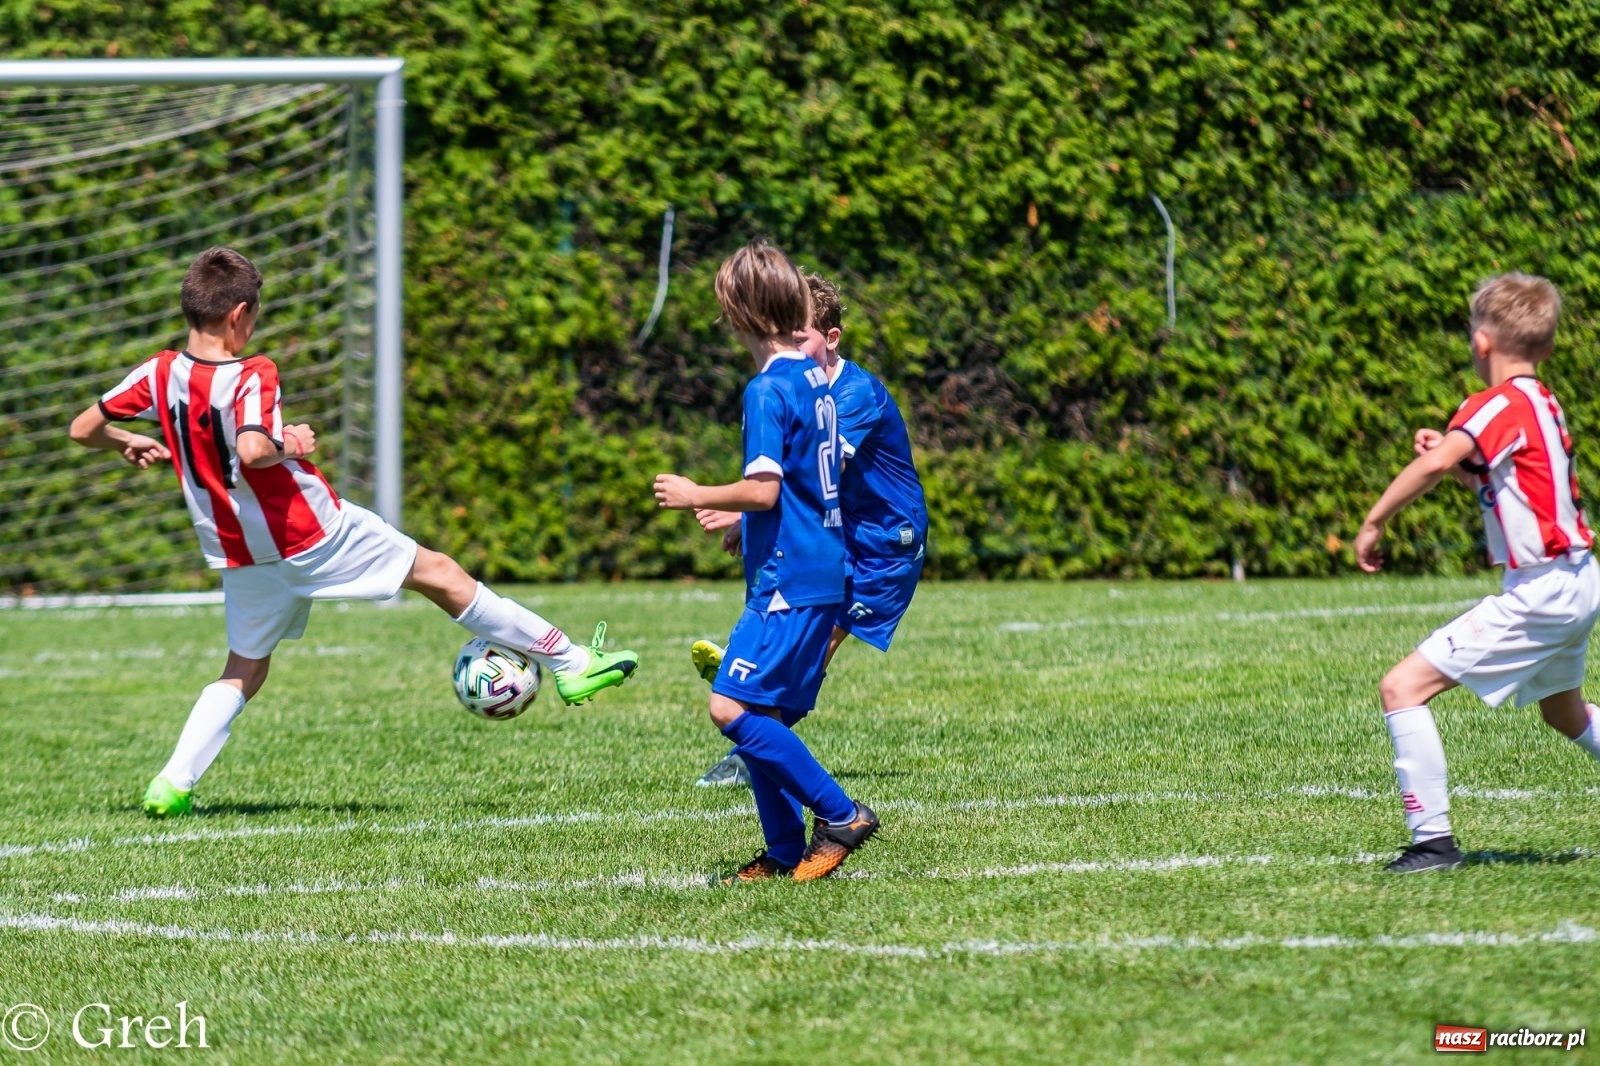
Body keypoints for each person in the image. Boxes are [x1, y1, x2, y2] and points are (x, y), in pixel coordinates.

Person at [68, 247, 639, 818]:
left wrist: (127, 441)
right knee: (439, 573)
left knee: (243, 668)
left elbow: (83, 428)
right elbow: (251, 448)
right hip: (310, 532)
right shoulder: (252, 373)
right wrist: (292, 443)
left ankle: (171, 784)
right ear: (240, 314)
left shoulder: (158, 371)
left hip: (239, 552)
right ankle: (570, 663)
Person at [1355, 272, 1600, 872]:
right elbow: (1505, 483)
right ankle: (1432, 843)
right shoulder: (1542, 402)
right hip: (1579, 579)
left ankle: (1432, 844)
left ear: (1482, 341)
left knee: (1401, 688)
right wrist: (1459, 457)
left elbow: (1438, 466)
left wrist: (1374, 521)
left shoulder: (1496, 404)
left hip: (1540, 591)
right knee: (1564, 713)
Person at [653, 240, 878, 882]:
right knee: (765, 717)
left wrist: (698, 494)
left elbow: (767, 489)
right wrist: (750, 530)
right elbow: (808, 483)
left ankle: (840, 814)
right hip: (818, 569)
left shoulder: (766, 389)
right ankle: (783, 854)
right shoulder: (816, 378)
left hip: (790, 582)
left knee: (730, 709)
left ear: (737, 311)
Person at [691, 271, 927, 788]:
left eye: (802, 338)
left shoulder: (854, 392)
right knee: (799, 638)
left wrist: (741, 512)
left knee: (815, 646)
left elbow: (815, 480)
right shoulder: (800, 386)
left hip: (885, 543)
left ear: (832, 338)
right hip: (838, 532)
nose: (792, 347)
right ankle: (756, 728)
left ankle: (755, 745)